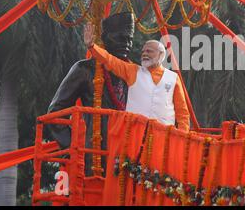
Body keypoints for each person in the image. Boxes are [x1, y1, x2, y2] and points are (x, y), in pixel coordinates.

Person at [48, 12, 135, 174]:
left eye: (129, 39)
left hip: (129, 158)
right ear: (105, 38)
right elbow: (55, 114)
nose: (126, 43)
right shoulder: (84, 69)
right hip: (95, 158)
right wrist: (72, 149)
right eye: (120, 37)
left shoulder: (135, 74)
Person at [84, 23, 190, 131]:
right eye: (143, 51)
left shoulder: (173, 78)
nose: (144, 54)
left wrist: (183, 136)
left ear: (161, 55)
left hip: (163, 138)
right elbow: (110, 60)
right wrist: (92, 46)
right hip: (135, 135)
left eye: (149, 51)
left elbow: (182, 112)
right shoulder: (133, 71)